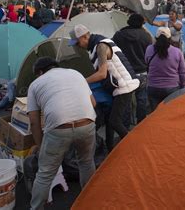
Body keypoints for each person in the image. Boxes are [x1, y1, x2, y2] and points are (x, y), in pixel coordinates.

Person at [27, 57, 96, 210]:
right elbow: (93, 103)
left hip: (59, 129)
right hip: (87, 123)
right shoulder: (76, 73)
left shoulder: (35, 84)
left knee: (44, 173)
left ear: (40, 72)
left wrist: (39, 146)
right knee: (86, 162)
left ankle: (36, 208)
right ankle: (90, 202)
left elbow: (34, 121)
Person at [69, 24, 139, 152]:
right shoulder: (94, 48)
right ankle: (111, 148)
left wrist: (82, 81)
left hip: (124, 86)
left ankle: (134, 146)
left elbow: (102, 74)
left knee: (114, 121)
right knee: (109, 119)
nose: (77, 46)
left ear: (85, 36)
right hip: (118, 86)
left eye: (77, 43)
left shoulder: (101, 46)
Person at [112, 13, 153, 124]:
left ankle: (126, 124)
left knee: (126, 100)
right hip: (142, 71)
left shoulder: (119, 35)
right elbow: (149, 53)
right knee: (142, 98)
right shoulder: (145, 36)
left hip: (125, 72)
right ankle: (141, 122)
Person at [145, 27, 185, 111]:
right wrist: (183, 85)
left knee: (155, 113)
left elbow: (146, 62)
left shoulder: (149, 49)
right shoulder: (177, 51)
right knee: (170, 113)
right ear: (170, 38)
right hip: (172, 88)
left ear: (156, 37)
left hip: (153, 86)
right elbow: (182, 72)